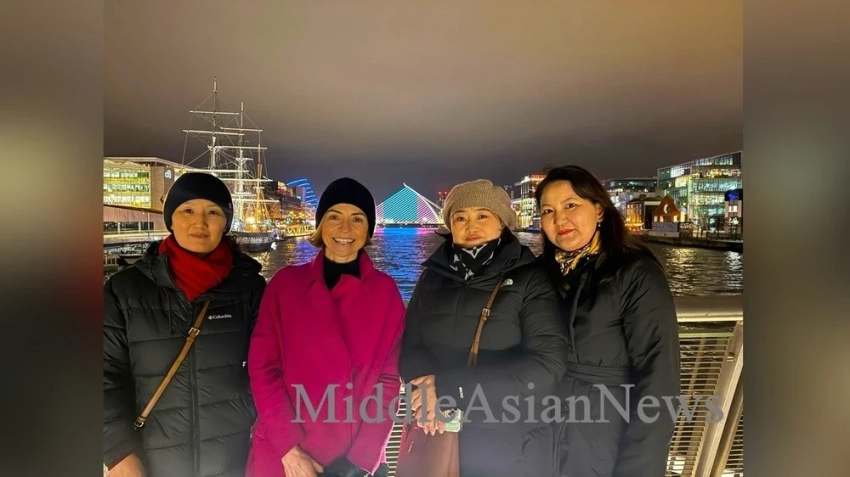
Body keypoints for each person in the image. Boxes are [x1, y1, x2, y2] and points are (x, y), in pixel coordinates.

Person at [399, 179, 569, 477]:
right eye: (460, 217)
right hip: (438, 431)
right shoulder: (432, 277)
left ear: (502, 223)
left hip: (508, 440)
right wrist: (423, 395)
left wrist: (448, 388)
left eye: (482, 215)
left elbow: (546, 365)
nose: (471, 225)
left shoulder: (530, 279)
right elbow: (411, 345)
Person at [103, 172, 267, 477]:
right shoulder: (124, 290)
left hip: (232, 461)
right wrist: (118, 453)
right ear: (171, 219)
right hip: (150, 465)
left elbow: (268, 367)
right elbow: (103, 376)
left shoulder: (250, 289)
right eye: (187, 210)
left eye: (213, 212)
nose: (200, 222)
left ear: (225, 222)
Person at [246, 177, 405, 477]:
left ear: (368, 229)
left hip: (353, 456)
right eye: (334, 217)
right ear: (320, 225)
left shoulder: (386, 293)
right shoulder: (285, 285)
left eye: (357, 219)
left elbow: (388, 381)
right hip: (286, 456)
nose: (345, 229)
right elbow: (262, 368)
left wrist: (360, 461)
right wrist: (289, 449)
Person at [535, 165, 681, 477]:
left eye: (571, 205)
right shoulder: (537, 275)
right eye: (548, 210)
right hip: (536, 443)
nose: (559, 219)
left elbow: (659, 382)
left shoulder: (635, 273)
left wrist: (638, 470)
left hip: (601, 444)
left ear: (599, 210)